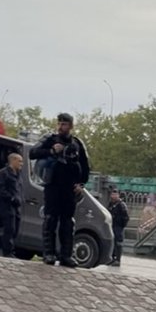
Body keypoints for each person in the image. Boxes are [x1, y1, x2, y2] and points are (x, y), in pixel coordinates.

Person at [30, 113, 90, 268]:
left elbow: (85, 166)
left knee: (68, 222)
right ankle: (48, 253)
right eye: (59, 123)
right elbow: (32, 153)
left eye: (64, 124)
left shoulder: (76, 143)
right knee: (50, 219)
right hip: (53, 185)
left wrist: (81, 184)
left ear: (70, 126)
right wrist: (50, 151)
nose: (61, 126)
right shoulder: (49, 139)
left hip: (70, 188)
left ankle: (66, 255)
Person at [0, 151, 23, 258]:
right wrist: (11, 198)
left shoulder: (19, 175)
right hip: (6, 206)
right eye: (19, 161)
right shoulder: (3, 173)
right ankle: (7, 252)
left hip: (17, 207)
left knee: (15, 230)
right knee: (9, 229)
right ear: (13, 160)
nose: (21, 164)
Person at [108, 188, 130, 267]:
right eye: (112, 194)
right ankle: (112, 258)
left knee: (118, 243)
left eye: (115, 194)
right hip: (112, 225)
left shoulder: (121, 205)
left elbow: (126, 217)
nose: (113, 196)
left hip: (118, 226)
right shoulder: (111, 204)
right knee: (112, 242)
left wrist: (121, 225)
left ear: (118, 195)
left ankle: (118, 259)